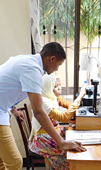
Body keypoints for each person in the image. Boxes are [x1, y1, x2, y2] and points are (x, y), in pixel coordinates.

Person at [0, 42, 86, 170]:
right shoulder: (32, 69)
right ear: (52, 59)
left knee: (2, 161)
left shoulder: (28, 61)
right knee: (15, 162)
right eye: (59, 64)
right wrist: (61, 143)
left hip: (4, 109)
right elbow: (38, 112)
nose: (57, 69)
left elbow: (5, 85)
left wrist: (12, 109)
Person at [29, 73, 85, 169]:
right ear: (47, 87)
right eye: (55, 86)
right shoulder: (43, 101)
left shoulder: (53, 97)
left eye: (60, 85)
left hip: (51, 133)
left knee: (71, 145)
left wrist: (73, 108)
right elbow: (64, 117)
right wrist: (80, 97)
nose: (59, 88)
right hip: (43, 138)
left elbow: (68, 105)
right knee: (70, 154)